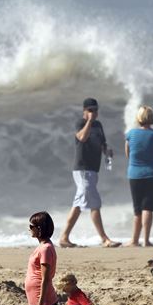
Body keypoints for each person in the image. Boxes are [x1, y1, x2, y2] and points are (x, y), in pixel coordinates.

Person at [59, 98, 121, 248]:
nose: (94, 113)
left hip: (93, 169)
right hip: (82, 169)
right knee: (93, 202)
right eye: (90, 110)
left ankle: (64, 237)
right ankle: (104, 239)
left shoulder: (99, 125)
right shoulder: (81, 123)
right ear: (84, 111)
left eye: (96, 110)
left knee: (81, 204)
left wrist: (107, 151)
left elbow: (102, 143)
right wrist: (89, 121)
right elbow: (82, 137)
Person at [124, 105, 153, 247]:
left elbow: (128, 155)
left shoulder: (130, 134)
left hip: (135, 174)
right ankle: (146, 240)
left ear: (138, 118)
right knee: (148, 206)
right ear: (151, 118)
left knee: (137, 209)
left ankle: (134, 240)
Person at [25, 211, 57, 305]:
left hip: (43, 299)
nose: (29, 229)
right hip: (38, 298)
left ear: (39, 229)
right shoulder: (43, 246)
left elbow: (46, 279)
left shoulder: (45, 249)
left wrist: (40, 304)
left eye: (31, 226)